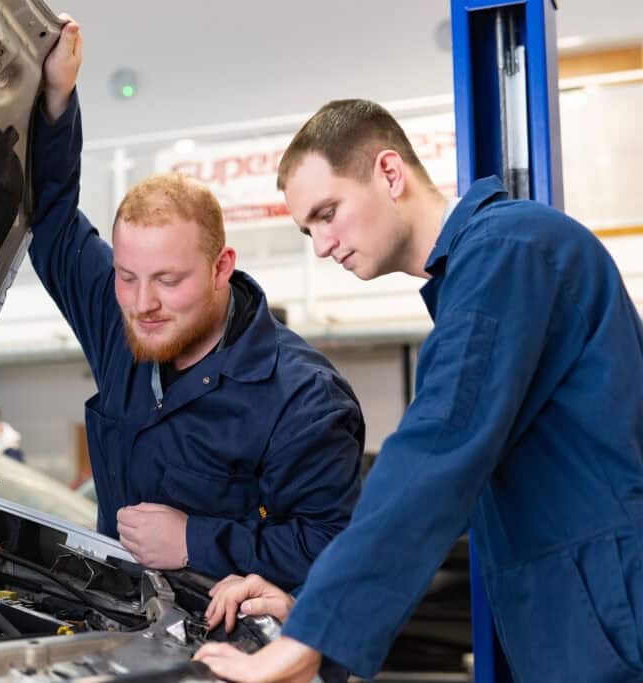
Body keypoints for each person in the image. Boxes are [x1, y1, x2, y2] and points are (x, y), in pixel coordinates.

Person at [195, 99, 643, 682]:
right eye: (309, 229)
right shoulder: (480, 271)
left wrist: (305, 637)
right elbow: (436, 494)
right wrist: (310, 601)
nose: (322, 245)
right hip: (578, 620)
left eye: (328, 213)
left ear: (389, 172)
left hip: (608, 618)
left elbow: (434, 456)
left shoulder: (509, 252)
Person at [31, 19, 364, 595]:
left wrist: (196, 540)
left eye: (168, 280)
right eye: (127, 276)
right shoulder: (122, 322)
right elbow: (54, 223)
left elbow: (335, 549)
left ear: (221, 267)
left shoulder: (304, 398)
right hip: (125, 624)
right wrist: (57, 97)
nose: (143, 303)